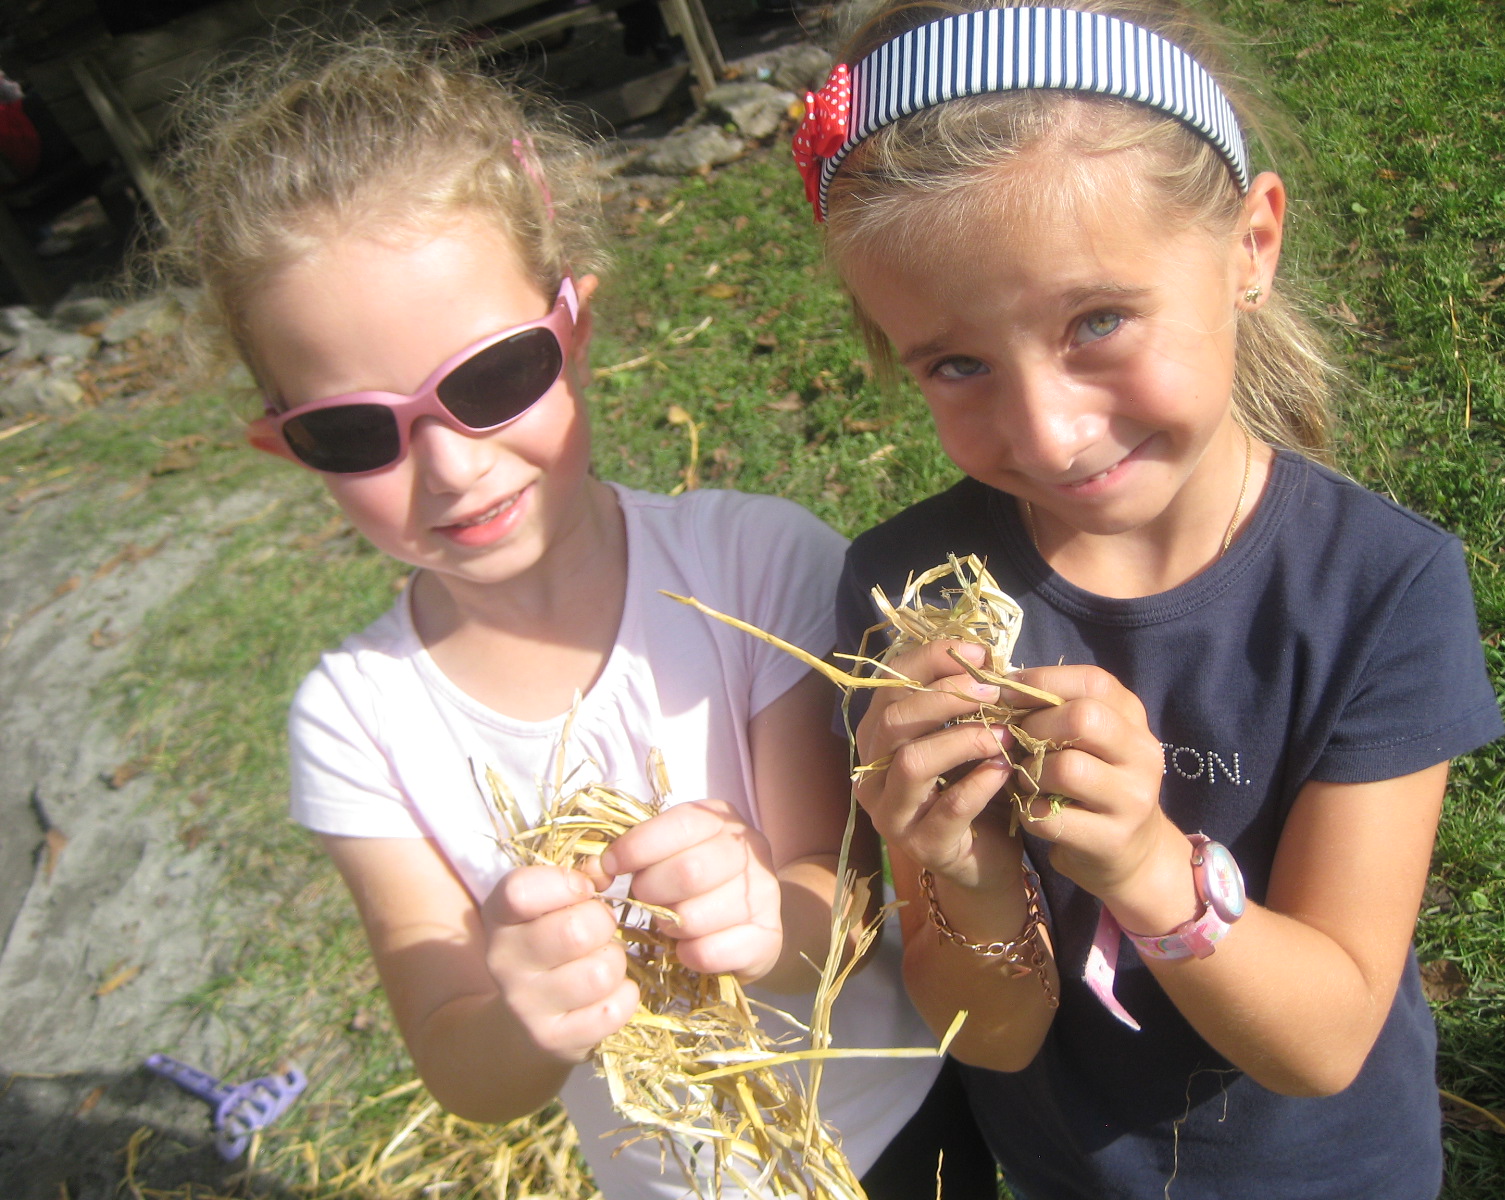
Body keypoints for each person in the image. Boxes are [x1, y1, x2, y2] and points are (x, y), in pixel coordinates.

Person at [153, 35, 980, 1199]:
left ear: (573, 329)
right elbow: (461, 1064)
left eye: (491, 378)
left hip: (897, 1134)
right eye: (355, 431)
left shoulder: (750, 565)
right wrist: (525, 1016)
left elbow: (839, 907)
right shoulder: (354, 722)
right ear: (286, 446)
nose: (451, 467)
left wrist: (763, 915)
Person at [794, 1, 1505, 1196]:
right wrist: (962, 867)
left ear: (1249, 247)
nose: (1047, 432)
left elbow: (1325, 1042)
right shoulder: (906, 591)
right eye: (958, 364)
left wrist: (1144, 864)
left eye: (1098, 321)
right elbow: (991, 1037)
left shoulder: (1378, 591)